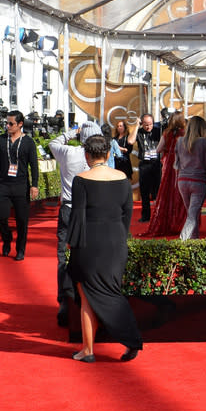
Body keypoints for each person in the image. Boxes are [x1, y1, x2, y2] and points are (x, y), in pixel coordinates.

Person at [66, 134, 143, 363]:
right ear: (109, 154)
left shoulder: (81, 179)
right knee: (111, 292)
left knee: (87, 297)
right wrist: (120, 237)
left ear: (87, 155)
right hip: (116, 242)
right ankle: (129, 340)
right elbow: (127, 214)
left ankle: (88, 350)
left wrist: (71, 243)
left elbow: (77, 216)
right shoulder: (121, 178)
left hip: (89, 243)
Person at [48, 121, 100, 326]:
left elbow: (54, 142)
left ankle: (65, 300)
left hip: (69, 209)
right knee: (93, 255)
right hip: (91, 210)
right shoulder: (100, 157)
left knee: (64, 256)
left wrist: (73, 131)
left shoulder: (68, 153)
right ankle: (91, 298)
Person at [0, 110, 39, 261]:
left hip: (21, 186)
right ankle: (7, 238)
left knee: (22, 220)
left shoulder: (28, 142)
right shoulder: (0, 140)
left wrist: (34, 185)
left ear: (20, 124)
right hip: (3, 184)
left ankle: (20, 249)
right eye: (6, 123)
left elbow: (34, 165)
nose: (7, 126)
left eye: (11, 123)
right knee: (1, 216)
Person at [144, 112, 186, 236]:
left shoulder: (166, 133)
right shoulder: (185, 134)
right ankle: (181, 223)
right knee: (181, 194)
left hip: (169, 166)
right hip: (182, 165)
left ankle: (168, 222)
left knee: (167, 193)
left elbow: (158, 149)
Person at [176, 115, 206, 240]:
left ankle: (193, 240)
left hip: (182, 180)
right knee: (192, 215)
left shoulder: (180, 141)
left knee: (191, 214)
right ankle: (183, 240)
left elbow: (177, 163)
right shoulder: (204, 142)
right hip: (198, 180)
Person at [134, 113, 163, 222]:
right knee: (144, 192)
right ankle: (145, 216)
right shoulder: (139, 132)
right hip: (144, 164)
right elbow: (131, 141)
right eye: (146, 124)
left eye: (150, 124)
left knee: (158, 191)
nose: (148, 127)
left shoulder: (157, 131)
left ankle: (159, 216)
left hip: (156, 164)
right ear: (142, 123)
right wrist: (136, 126)